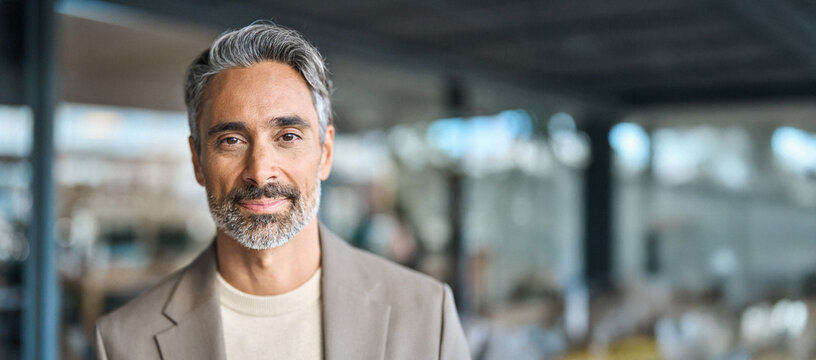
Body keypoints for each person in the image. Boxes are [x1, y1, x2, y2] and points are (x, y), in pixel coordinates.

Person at [93, 21, 470, 360]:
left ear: (325, 153)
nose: (260, 172)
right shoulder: (124, 342)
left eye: (288, 136)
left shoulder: (426, 315)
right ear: (197, 161)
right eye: (231, 140)